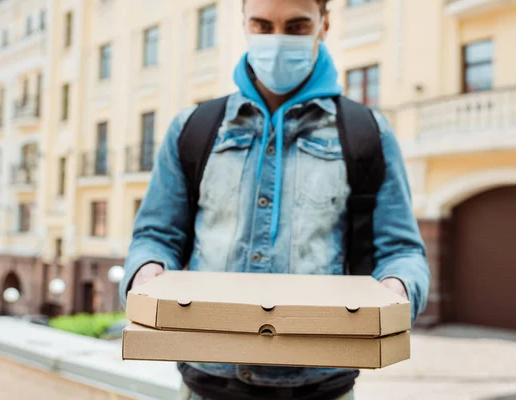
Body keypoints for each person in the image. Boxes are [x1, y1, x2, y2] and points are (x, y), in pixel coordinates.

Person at [120, 0, 431, 399]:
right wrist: (145, 271)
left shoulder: (368, 133)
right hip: (206, 383)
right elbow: (155, 235)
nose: (278, 41)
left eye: (297, 26)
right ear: (244, 24)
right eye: (263, 26)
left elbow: (402, 250)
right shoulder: (193, 128)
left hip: (322, 386)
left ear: (325, 23)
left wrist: (398, 288)